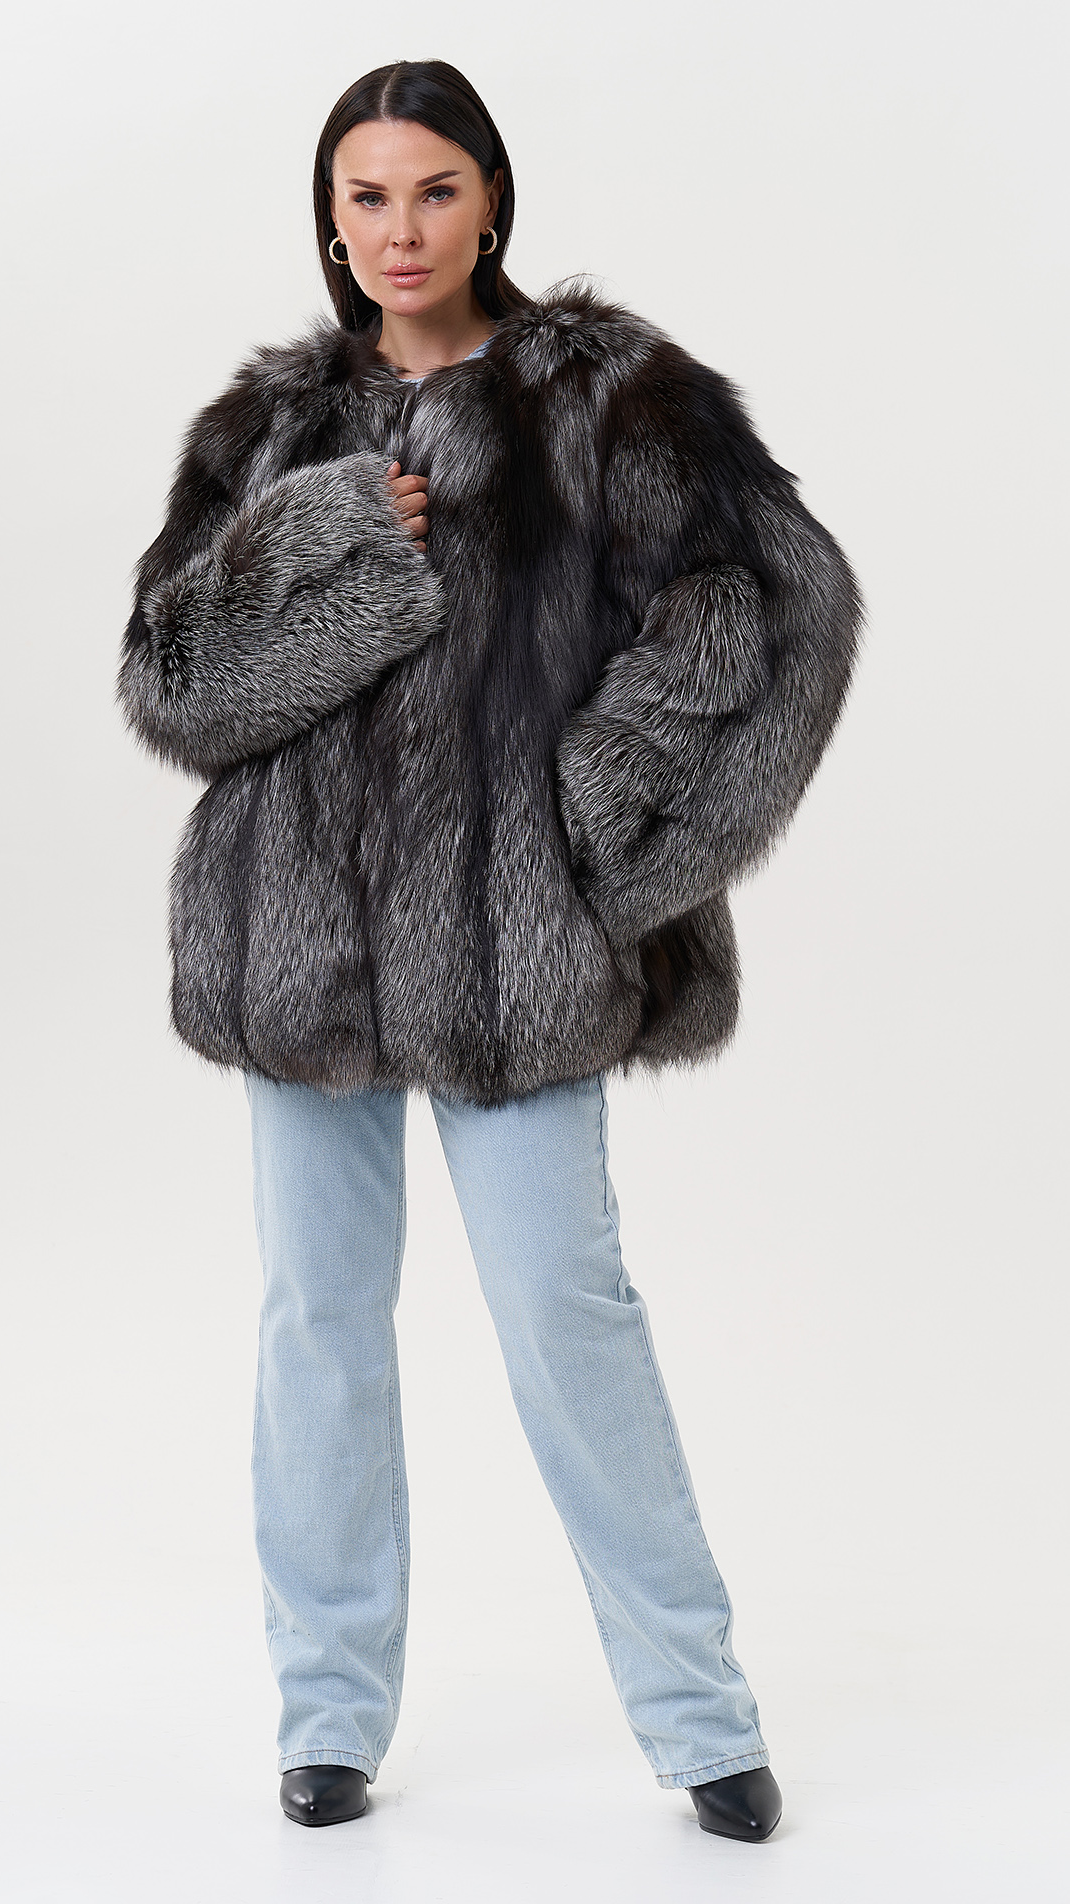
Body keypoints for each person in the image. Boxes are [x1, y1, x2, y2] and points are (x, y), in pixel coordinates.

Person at [116, 58, 861, 1843]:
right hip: (298, 959)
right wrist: (321, 542)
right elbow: (171, 684)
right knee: (316, 1324)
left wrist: (598, 828)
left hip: (519, 957)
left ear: (491, 201)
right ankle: (325, 1714)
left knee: (561, 1311)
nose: (399, 231)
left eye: (433, 190)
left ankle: (697, 1717)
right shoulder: (264, 431)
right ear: (329, 219)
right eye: (365, 197)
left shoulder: (605, 397)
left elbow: (776, 608)